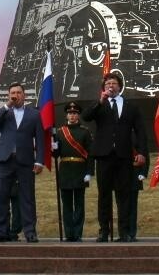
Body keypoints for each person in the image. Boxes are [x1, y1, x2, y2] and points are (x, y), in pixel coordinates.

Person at [82, 71, 147, 242]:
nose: (111, 86)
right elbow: (85, 117)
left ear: (120, 86)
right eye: (108, 84)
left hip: (124, 155)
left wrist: (141, 152)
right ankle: (104, 230)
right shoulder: (100, 104)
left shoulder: (130, 106)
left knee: (123, 194)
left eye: (114, 83)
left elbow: (140, 131)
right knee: (104, 194)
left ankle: (123, 232)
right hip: (104, 155)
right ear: (104, 88)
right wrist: (100, 102)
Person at [0, 82, 45, 243]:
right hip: (4, 159)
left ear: (24, 95)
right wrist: (7, 106)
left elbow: (40, 139)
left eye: (19, 92)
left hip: (25, 160)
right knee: (1, 197)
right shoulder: (4, 112)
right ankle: (0, 232)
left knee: (27, 197)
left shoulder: (34, 114)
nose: (16, 95)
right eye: (12, 92)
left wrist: (40, 161)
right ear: (8, 95)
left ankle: (30, 231)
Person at [54, 102, 93, 242]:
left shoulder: (85, 132)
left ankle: (77, 233)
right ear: (66, 115)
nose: (72, 115)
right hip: (65, 170)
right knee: (67, 205)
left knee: (79, 204)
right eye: (70, 113)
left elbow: (90, 154)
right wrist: (53, 147)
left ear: (78, 115)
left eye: (75, 113)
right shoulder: (59, 132)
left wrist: (89, 172)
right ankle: (69, 234)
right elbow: (55, 155)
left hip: (80, 171)